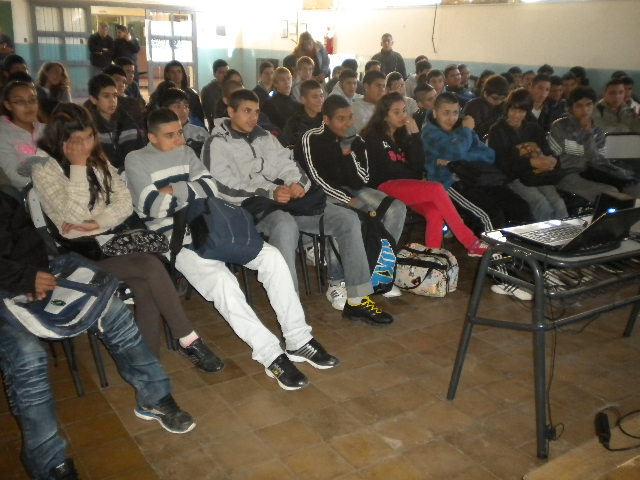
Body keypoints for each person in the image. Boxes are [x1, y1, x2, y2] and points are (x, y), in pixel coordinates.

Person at [126, 107, 339, 389]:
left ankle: (298, 339)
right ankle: (270, 354)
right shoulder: (136, 160)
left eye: (180, 132)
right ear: (151, 137)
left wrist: (173, 190)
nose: (179, 140)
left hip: (213, 228)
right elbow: (151, 206)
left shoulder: (187, 152)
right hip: (175, 240)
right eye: (170, 135)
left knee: (272, 258)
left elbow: (210, 188)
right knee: (224, 284)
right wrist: (189, 189)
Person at [0, 189, 197, 479]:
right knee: (27, 356)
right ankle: (47, 459)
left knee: (111, 308)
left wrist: (34, 276)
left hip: (28, 279)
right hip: (11, 286)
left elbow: (29, 242)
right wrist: (24, 279)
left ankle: (154, 397)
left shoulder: (3, 199)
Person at [30, 103, 222, 370]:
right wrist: (77, 166)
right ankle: (188, 339)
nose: (86, 146)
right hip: (80, 255)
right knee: (150, 267)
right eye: (78, 141)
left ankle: (149, 366)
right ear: (61, 140)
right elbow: (72, 217)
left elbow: (123, 203)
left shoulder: (98, 159)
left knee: (145, 285)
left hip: (113, 243)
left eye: (90, 137)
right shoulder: (44, 169)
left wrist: (96, 222)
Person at [207, 90, 397, 320]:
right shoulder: (217, 143)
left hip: (288, 200)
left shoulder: (265, 137)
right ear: (231, 111)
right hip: (251, 207)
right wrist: (269, 192)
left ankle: (357, 299)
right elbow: (221, 186)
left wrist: (297, 183)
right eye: (247, 111)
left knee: (348, 219)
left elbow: (290, 165)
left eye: (256, 112)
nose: (253, 117)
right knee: (285, 226)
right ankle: (291, 308)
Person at [360, 92, 488, 256]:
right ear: (384, 115)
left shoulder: (402, 135)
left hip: (405, 187)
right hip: (383, 188)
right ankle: (470, 242)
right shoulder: (373, 137)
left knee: (435, 213)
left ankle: (431, 258)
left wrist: (415, 135)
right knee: (436, 189)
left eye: (404, 110)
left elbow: (418, 165)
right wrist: (414, 176)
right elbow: (389, 170)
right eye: (396, 112)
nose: (402, 115)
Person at [296, 94, 407, 280]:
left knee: (397, 208)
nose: (348, 123)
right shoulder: (311, 138)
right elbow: (316, 179)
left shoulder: (356, 140)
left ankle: (381, 273)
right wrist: (348, 200)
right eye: (341, 119)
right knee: (347, 216)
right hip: (322, 194)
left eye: (350, 117)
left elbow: (362, 180)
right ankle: (338, 279)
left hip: (353, 189)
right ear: (326, 120)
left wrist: (347, 152)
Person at [423, 92, 532, 235]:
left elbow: (489, 155)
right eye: (446, 113)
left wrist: (460, 158)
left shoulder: (461, 127)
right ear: (435, 113)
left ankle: (519, 245)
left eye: (455, 112)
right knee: (491, 214)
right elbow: (456, 152)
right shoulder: (430, 134)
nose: (451, 118)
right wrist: (466, 132)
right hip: (450, 183)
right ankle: (490, 248)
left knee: (519, 206)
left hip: (475, 177)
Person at [488, 88, 568, 221]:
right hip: (513, 177)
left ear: (527, 112)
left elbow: (547, 150)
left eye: (521, 111)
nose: (516, 115)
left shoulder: (533, 128)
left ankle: (563, 232)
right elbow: (500, 163)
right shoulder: (497, 130)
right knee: (540, 203)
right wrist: (530, 162)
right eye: (513, 110)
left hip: (537, 174)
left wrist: (553, 160)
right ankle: (542, 233)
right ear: (507, 109)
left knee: (558, 203)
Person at [549, 86, 640, 203]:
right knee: (610, 193)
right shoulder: (560, 126)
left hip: (595, 172)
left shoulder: (597, 130)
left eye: (589, 105)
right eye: (579, 106)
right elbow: (559, 160)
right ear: (571, 108)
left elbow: (598, 159)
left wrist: (588, 135)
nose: (585, 110)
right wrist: (586, 135)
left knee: (634, 188)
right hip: (568, 174)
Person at [84, 73, 144, 172]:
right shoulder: (88, 129)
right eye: (106, 96)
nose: (112, 101)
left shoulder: (128, 123)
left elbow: (141, 153)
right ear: (94, 99)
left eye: (115, 96)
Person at [0, 80, 46, 190]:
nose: (28, 105)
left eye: (32, 100)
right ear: (8, 105)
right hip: (30, 194)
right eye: (20, 101)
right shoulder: (3, 135)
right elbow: (15, 176)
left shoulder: (47, 130)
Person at [158, 87, 209, 156]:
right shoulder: (157, 135)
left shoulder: (200, 132)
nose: (183, 110)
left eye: (186, 106)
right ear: (164, 110)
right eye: (177, 106)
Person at [463, 74, 509, 139]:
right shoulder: (473, 106)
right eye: (495, 98)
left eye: (502, 98)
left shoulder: (504, 106)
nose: (499, 101)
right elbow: (476, 131)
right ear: (485, 93)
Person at [282, 79, 324, 147]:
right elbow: (288, 146)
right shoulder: (294, 124)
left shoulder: (327, 119)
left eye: (321, 96)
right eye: (315, 97)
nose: (320, 100)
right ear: (303, 100)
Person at [162, 60, 205, 127]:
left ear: (183, 74)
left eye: (179, 71)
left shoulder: (193, 94)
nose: (176, 75)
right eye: (173, 72)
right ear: (167, 75)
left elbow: (199, 117)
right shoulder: (161, 94)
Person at [103, 64, 145, 131]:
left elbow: (140, 130)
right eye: (117, 80)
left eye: (124, 82)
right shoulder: (94, 103)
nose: (122, 85)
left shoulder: (131, 104)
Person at [352, 70, 386, 134]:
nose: (382, 90)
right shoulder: (356, 109)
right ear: (366, 86)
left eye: (384, 86)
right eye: (378, 85)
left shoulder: (385, 106)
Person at [201, 59, 229, 130]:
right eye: (221, 72)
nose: (225, 75)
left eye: (227, 72)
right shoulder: (207, 90)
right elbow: (207, 114)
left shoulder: (232, 88)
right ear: (214, 74)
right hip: (216, 129)